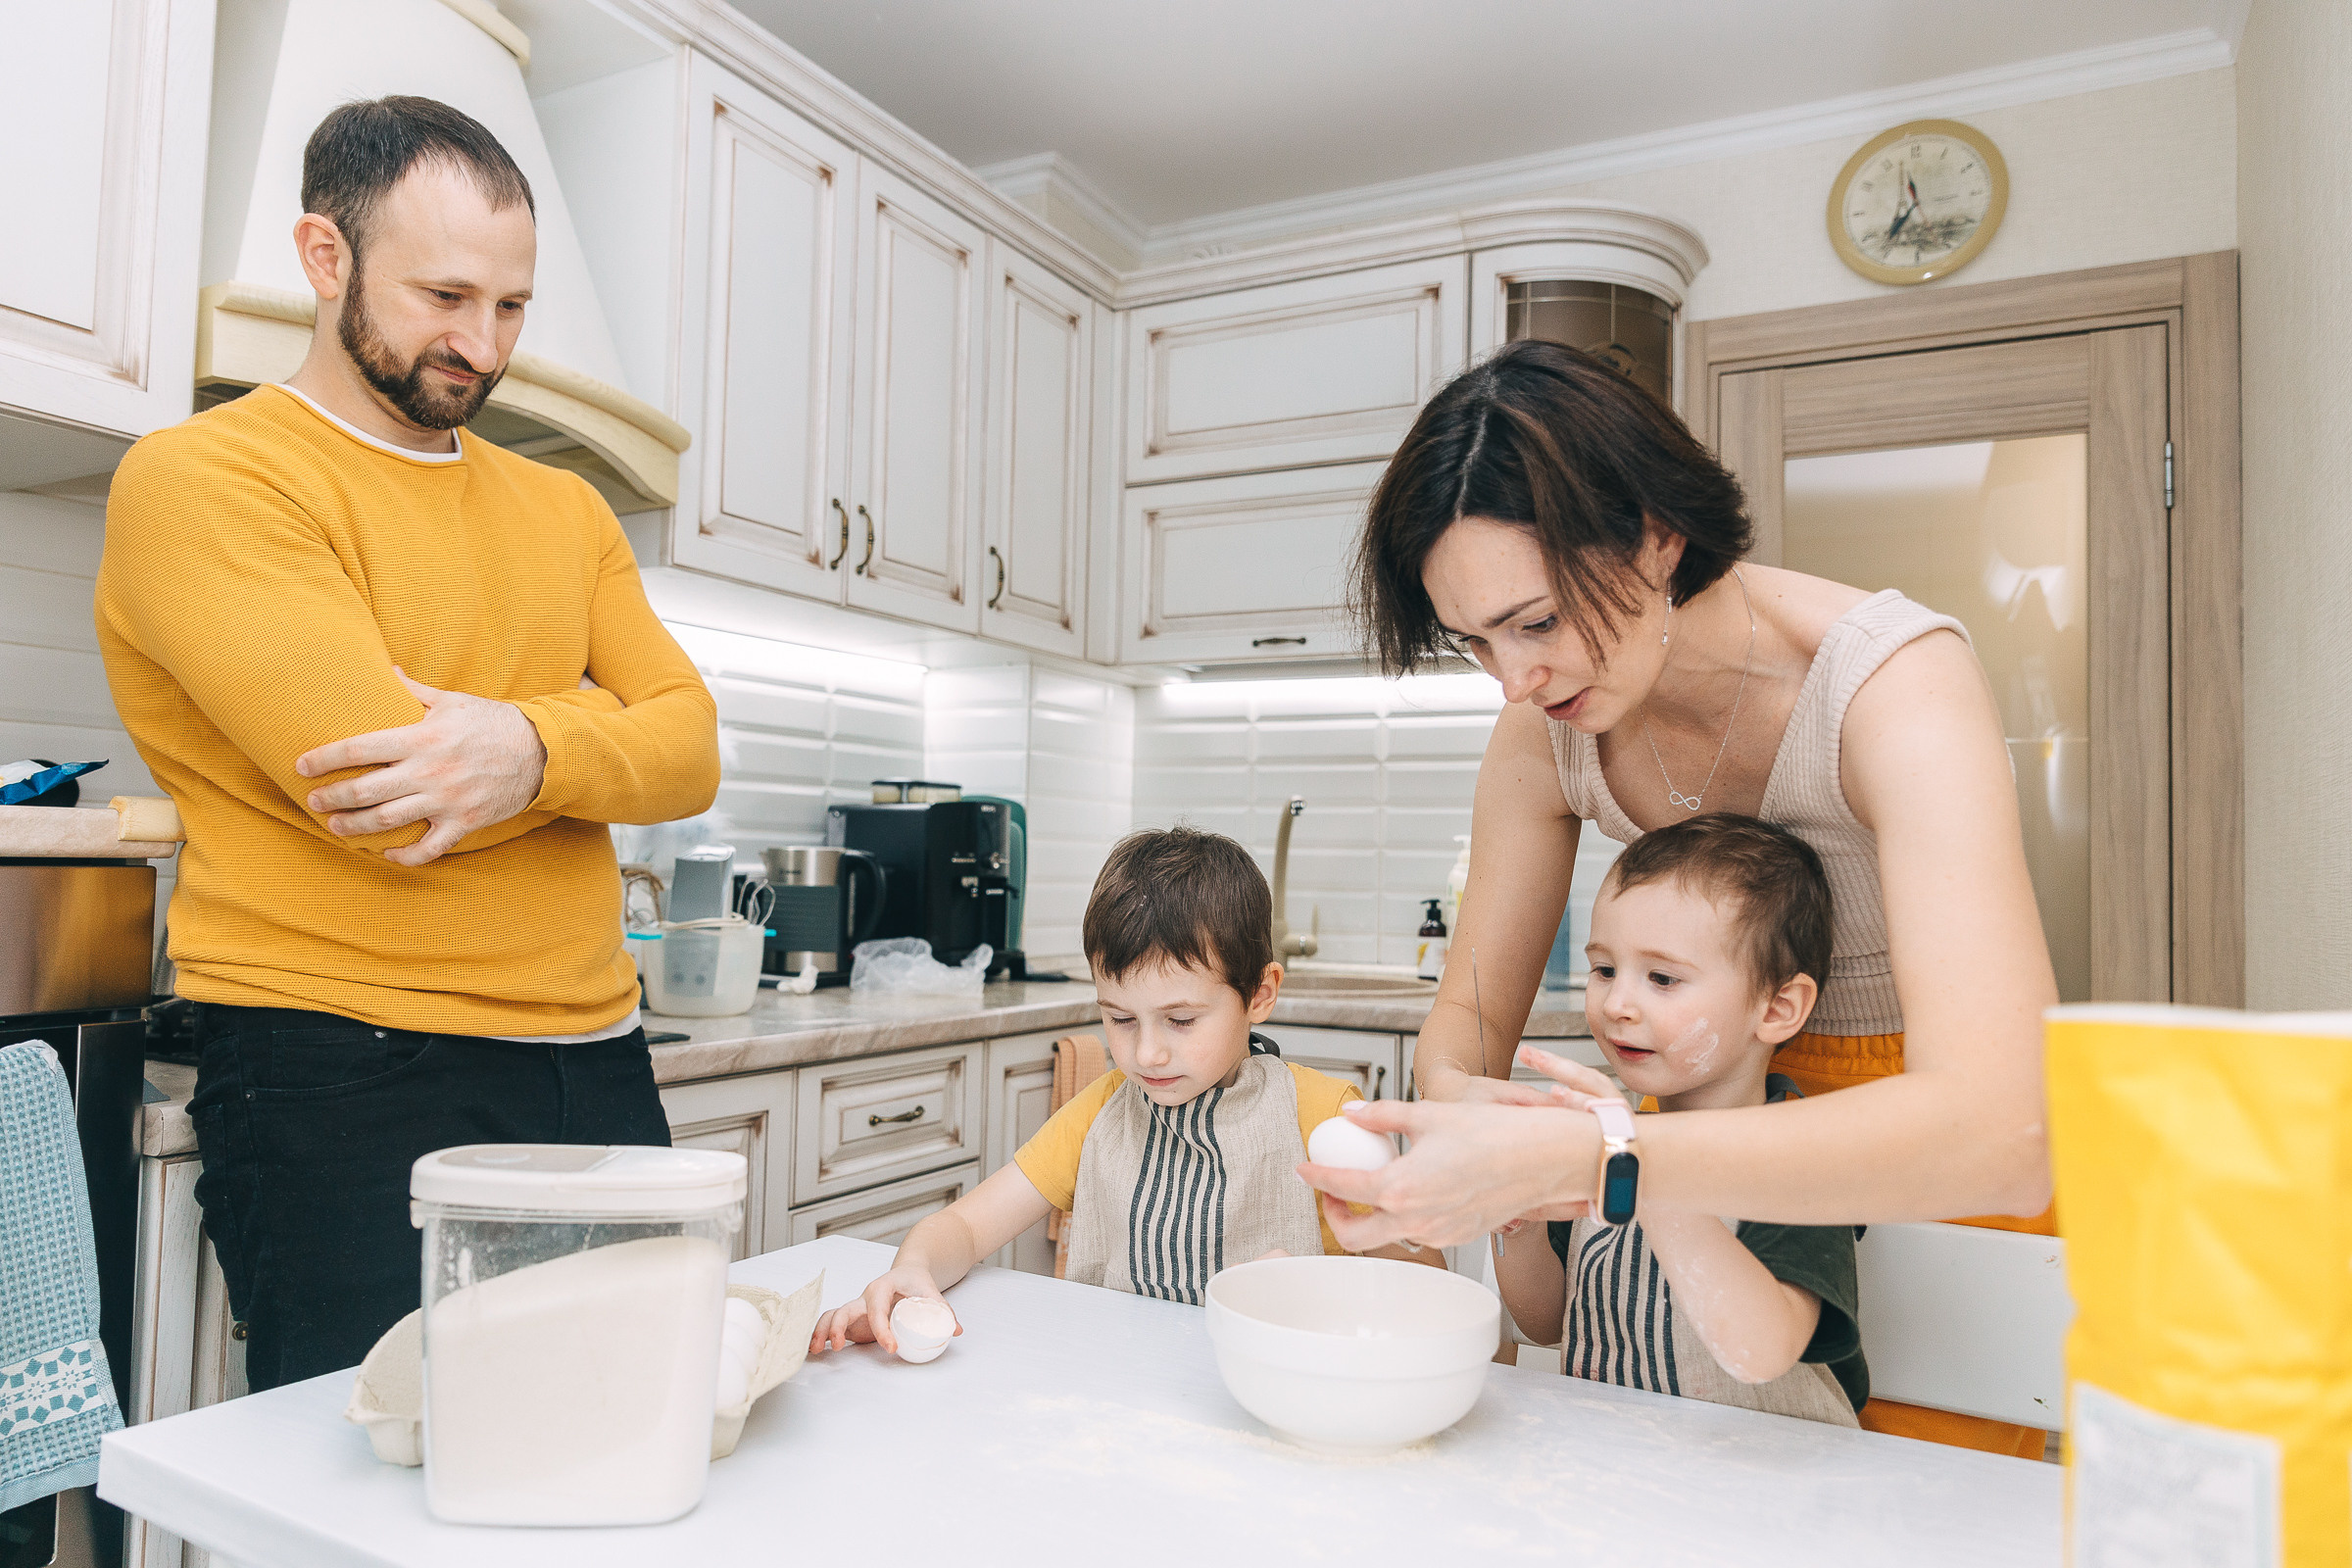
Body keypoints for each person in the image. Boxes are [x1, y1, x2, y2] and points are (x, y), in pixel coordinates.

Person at [1300, 338, 2056, 1455]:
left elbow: (2006, 1129)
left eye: (1539, 621)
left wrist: (1599, 1158)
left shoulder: (1894, 678)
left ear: (1658, 538)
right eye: (1476, 643)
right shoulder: (1542, 735)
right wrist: (1476, 1133)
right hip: (1693, 1137)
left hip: (1917, 1151)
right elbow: (1463, 1022)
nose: (1516, 682)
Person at [95, 97, 719, 1390]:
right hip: (341, 1063)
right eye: (444, 293)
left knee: (621, 1420)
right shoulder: (206, 478)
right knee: (374, 1476)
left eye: (510, 306)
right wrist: (600, 741)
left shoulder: (567, 507)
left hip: (595, 1059)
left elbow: (693, 748)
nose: (479, 344)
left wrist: (532, 753)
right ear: (327, 258)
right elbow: (382, 776)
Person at [811, 827, 1432, 1356]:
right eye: (1120, 1018)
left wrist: (1315, 1286)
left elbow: (1425, 1281)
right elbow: (966, 1229)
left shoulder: (1324, 1118)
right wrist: (913, 1270)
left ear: (1261, 995)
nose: (1146, 1053)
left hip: (1273, 1394)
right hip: (1113, 1382)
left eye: (1182, 1020)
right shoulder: (1101, 1114)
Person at [1494, 815, 1866, 1428]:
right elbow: (1550, 1322)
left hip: (1773, 1497)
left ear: (1777, 1008)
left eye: (1662, 978)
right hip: (1627, 1477)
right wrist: (1521, 1228)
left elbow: (1762, 1350)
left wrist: (1639, 1169)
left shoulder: (1802, 1161)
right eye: (1605, 970)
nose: (1617, 1004)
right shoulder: (1607, 1137)